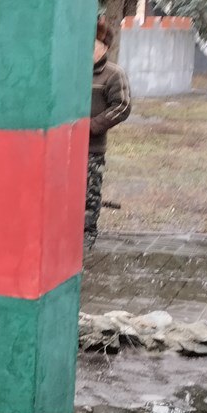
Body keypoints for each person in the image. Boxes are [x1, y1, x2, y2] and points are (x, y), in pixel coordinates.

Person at [86, 18, 132, 250]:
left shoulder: (113, 74)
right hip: (65, 146)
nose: (88, 51)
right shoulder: (72, 73)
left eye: (92, 45)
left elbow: (122, 107)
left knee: (89, 196)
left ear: (104, 47)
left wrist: (92, 126)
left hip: (92, 149)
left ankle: (87, 240)